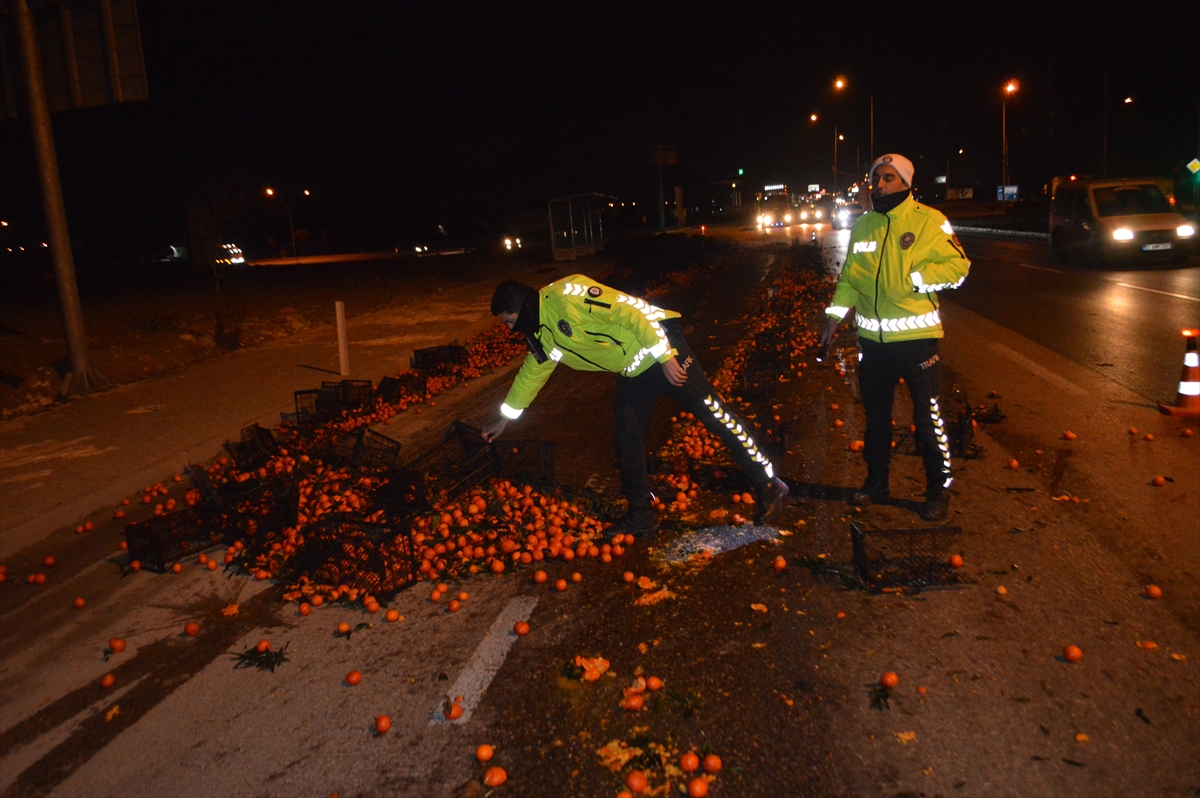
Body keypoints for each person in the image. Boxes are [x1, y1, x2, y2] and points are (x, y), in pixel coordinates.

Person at [481, 275, 789, 538]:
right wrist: (505, 418)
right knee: (626, 436)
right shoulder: (541, 333)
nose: (510, 329)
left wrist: (665, 355)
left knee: (714, 415)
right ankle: (641, 514)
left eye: (510, 321)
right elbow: (533, 372)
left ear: (523, 308)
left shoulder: (569, 295)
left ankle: (769, 482)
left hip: (662, 349)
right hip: (633, 370)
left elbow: (632, 311)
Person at [818, 154, 971, 521]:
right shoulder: (864, 226)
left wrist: (915, 278)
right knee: (876, 418)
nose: (880, 184)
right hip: (873, 344)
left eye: (888, 178)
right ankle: (876, 482)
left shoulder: (929, 221)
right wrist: (833, 320)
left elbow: (958, 267)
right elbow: (851, 278)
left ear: (905, 182)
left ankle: (937, 490)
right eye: (876, 177)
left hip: (917, 341)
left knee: (929, 418)